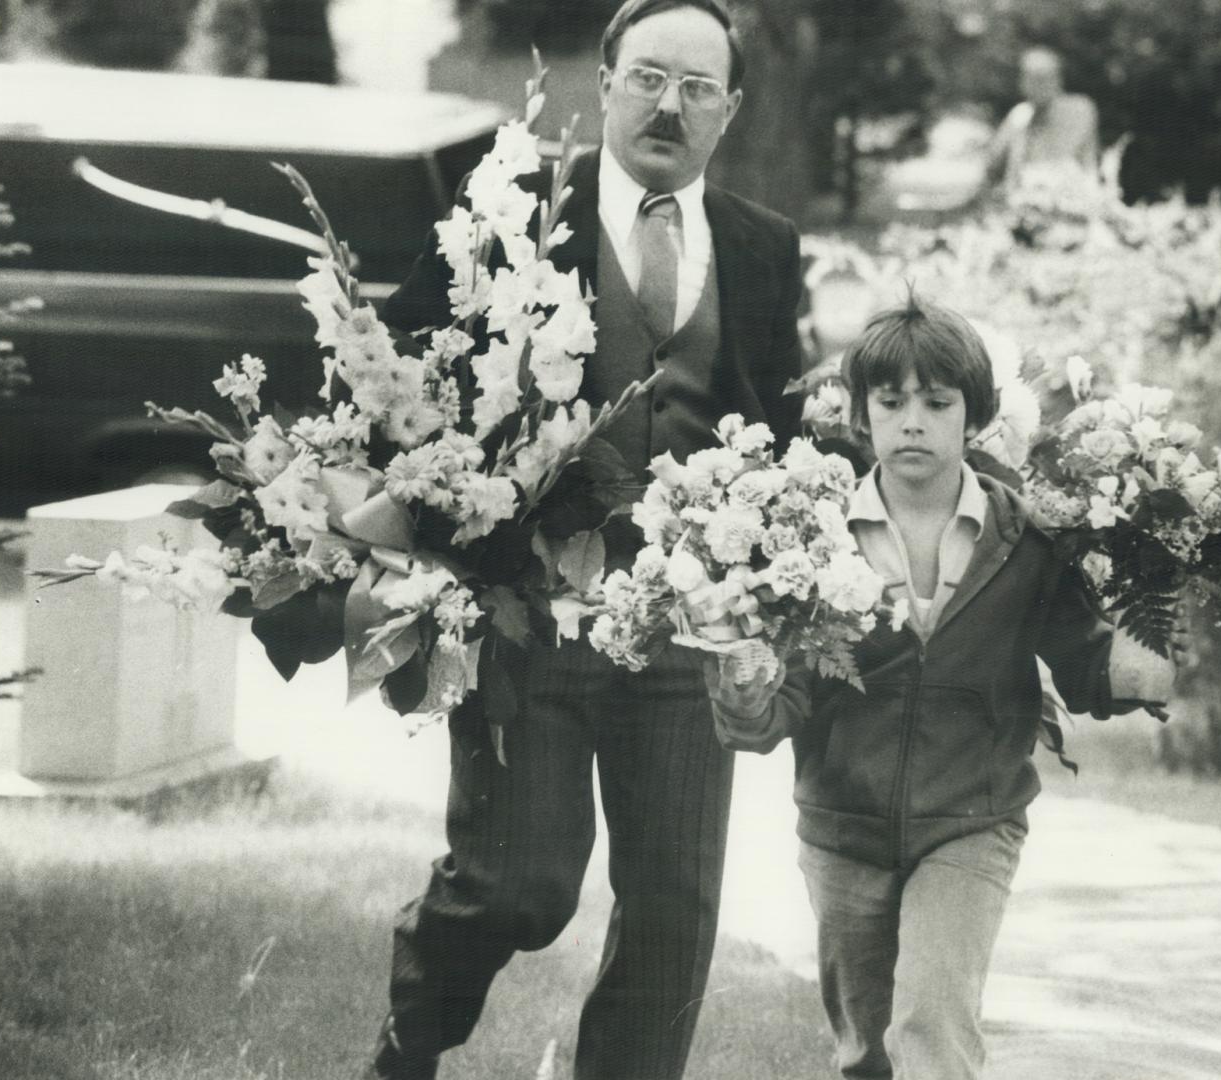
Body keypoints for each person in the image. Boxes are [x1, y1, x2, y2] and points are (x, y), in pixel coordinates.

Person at [366, 2, 805, 1077]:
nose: (670, 104)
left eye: (698, 87)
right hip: (525, 619)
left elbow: (784, 432)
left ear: (730, 110)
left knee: (671, 917)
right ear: (604, 83)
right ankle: (402, 1053)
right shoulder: (509, 214)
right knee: (517, 885)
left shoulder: (762, 247)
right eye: (648, 76)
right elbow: (391, 386)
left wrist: (773, 601)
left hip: (684, 636)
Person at [705, 296, 1188, 1080]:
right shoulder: (809, 540)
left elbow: (1085, 659)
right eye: (891, 403)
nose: (914, 422)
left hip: (971, 821)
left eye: (938, 403)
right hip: (841, 830)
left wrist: (1138, 664)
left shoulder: (1026, 539)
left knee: (932, 1028)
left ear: (976, 416)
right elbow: (775, 708)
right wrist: (746, 691)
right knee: (865, 1053)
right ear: (860, 417)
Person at [984, 45, 1101, 189]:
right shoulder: (1020, 115)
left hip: (1072, 196)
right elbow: (991, 163)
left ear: (1058, 79)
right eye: (1031, 79)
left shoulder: (1081, 109)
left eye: (1044, 79)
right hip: (1024, 198)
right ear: (1022, 83)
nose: (1038, 87)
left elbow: (1086, 164)